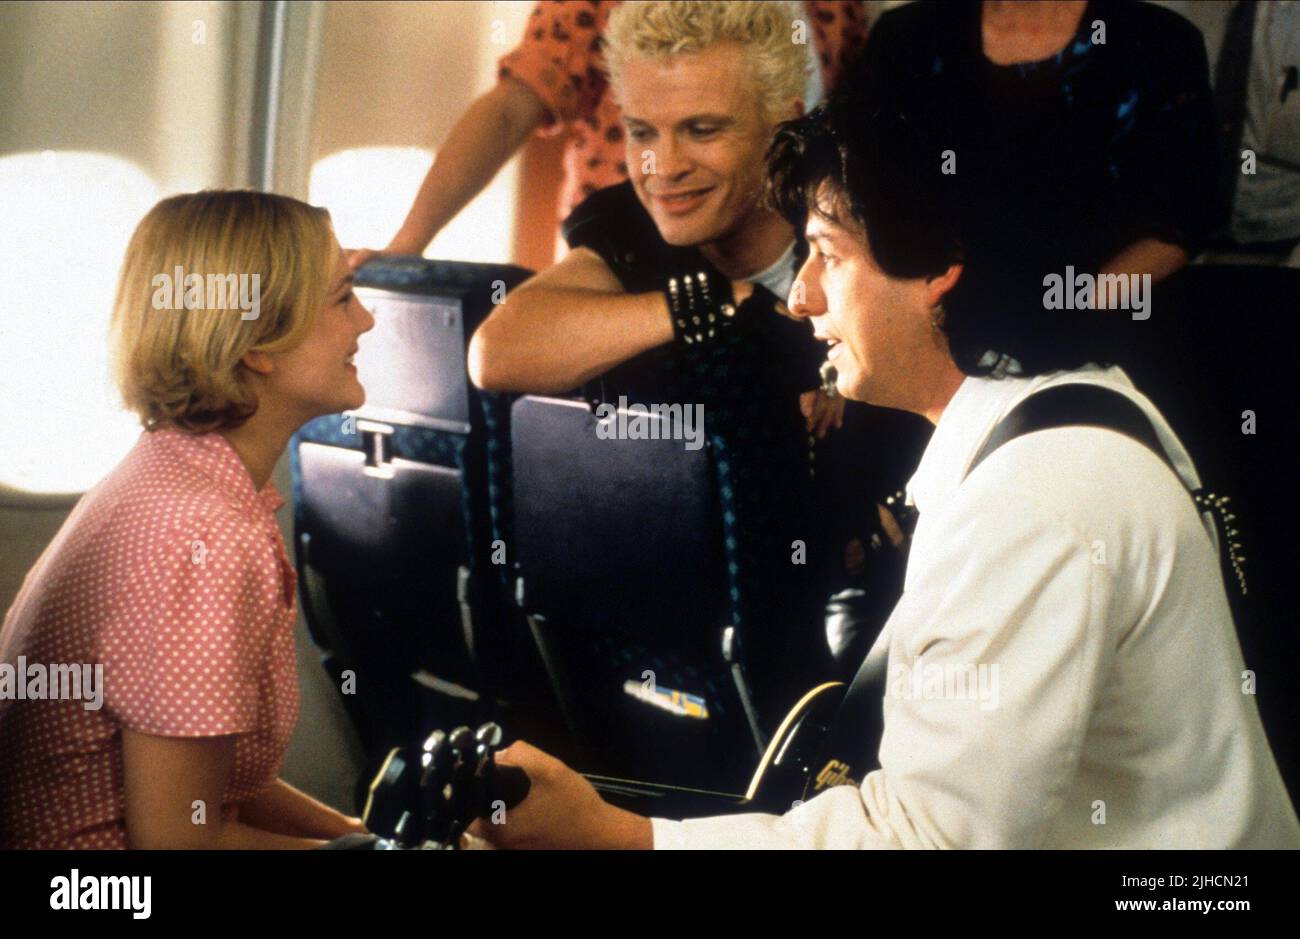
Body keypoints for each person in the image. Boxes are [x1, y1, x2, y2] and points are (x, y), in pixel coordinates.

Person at [466, 101, 1300, 849]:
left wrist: (615, 838)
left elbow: (925, 844)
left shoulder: (1031, 500)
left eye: (826, 252)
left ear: (938, 263)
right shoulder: (1078, 405)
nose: (801, 297)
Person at [468, 0, 851, 716]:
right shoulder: (630, 229)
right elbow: (497, 351)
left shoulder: (854, 235)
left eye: (702, 130)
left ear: (784, 128)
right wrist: (705, 306)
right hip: (671, 643)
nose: (663, 167)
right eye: (642, 132)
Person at [0, 191, 376, 849]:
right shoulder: (205, 537)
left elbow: (213, 777)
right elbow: (179, 839)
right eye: (343, 297)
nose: (366, 320)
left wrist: (355, 835)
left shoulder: (172, 474)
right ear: (259, 341)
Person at [346, 0, 869, 268]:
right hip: (625, 261)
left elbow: (843, 138)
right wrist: (408, 244)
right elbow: (512, 108)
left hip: (785, 265)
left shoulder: (833, 7)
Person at [839, 0, 1222, 337]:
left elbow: (1185, 220)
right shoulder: (905, 38)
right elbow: (853, 192)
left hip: (1098, 335)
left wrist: (1073, 312)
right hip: (925, 332)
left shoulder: (1158, 43)